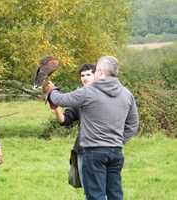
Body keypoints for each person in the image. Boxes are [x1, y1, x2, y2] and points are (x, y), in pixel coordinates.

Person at [43, 56, 139, 200]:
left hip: (94, 152)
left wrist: (51, 90)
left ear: (99, 71)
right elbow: (133, 123)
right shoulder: (127, 94)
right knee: (115, 195)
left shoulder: (88, 92)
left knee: (95, 195)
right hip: (116, 152)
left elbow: (60, 100)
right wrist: (118, 141)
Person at [54, 64, 96, 187]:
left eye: (88, 75)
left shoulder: (104, 96)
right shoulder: (80, 98)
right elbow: (65, 120)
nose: (85, 78)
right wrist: (55, 105)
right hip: (82, 150)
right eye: (83, 76)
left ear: (96, 76)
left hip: (101, 149)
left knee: (99, 189)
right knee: (88, 190)